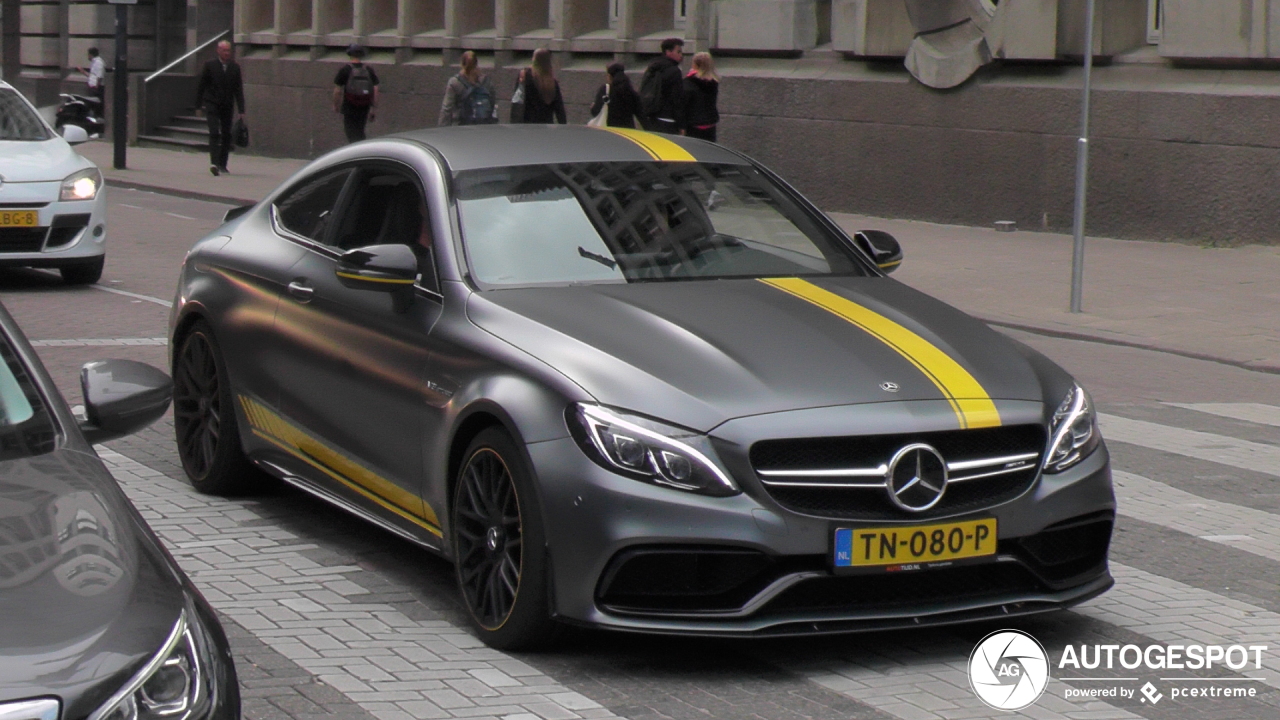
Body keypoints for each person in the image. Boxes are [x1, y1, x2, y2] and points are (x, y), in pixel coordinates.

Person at [194, 41, 246, 176]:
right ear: (218, 51)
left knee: (226, 134)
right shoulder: (210, 65)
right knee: (214, 132)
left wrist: (241, 109)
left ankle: (223, 164)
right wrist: (198, 105)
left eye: (229, 50)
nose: (227, 53)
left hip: (227, 105)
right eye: (224, 50)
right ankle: (214, 163)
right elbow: (201, 86)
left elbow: (238, 89)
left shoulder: (235, 67)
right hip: (212, 103)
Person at [333, 44, 379, 143]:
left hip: (349, 106)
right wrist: (373, 108)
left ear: (349, 54)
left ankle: (355, 153)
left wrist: (336, 105)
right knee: (360, 131)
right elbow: (375, 89)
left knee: (350, 132)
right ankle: (361, 151)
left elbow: (337, 90)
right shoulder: (368, 69)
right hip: (364, 106)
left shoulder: (345, 69)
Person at [639, 37, 685, 134]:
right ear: (668, 52)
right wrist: (681, 124)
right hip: (668, 119)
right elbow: (677, 99)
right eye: (678, 52)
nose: (681, 55)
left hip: (652, 116)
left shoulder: (653, 67)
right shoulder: (674, 71)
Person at [438, 51, 497, 126]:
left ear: (462, 64)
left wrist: (442, 130)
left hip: (461, 129)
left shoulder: (455, 82)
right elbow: (492, 104)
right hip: (483, 128)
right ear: (477, 63)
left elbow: (446, 109)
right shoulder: (486, 81)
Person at [519, 48, 566, 125]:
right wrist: (563, 125)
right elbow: (559, 108)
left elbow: (518, 99)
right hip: (545, 125)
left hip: (527, 124)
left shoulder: (525, 76)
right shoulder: (552, 82)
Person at [589, 63, 640, 129]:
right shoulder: (630, 91)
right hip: (628, 131)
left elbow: (595, 112)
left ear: (609, 76)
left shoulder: (606, 90)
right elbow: (640, 114)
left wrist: (592, 107)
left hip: (610, 131)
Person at [682, 52, 720, 142]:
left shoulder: (689, 82)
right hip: (710, 124)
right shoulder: (714, 82)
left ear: (695, 64)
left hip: (694, 125)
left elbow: (684, 105)